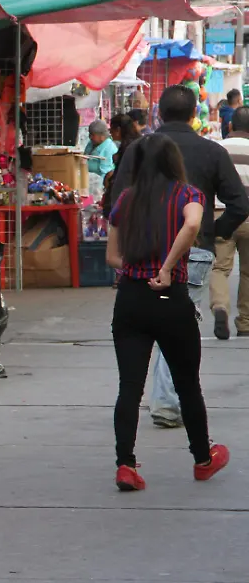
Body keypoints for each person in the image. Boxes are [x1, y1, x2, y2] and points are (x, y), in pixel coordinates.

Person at [110, 85, 249, 428]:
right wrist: (214, 231)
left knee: (150, 325)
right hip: (194, 251)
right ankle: (169, 403)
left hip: (141, 254)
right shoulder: (210, 151)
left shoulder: (138, 150)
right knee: (179, 323)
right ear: (192, 116)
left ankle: (160, 402)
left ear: (158, 113)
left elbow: (118, 198)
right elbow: (239, 203)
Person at [105, 134, 230, 491]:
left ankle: (125, 465)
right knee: (187, 383)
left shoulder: (127, 199)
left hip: (130, 298)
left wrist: (137, 268)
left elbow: (112, 257)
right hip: (169, 299)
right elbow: (192, 224)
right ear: (175, 162)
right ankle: (203, 459)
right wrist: (167, 267)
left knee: (129, 386)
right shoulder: (188, 195)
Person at [210, 105, 249, 339]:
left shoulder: (217, 149)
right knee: (248, 272)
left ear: (230, 125)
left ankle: (220, 307)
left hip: (222, 214)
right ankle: (245, 322)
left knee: (220, 268)